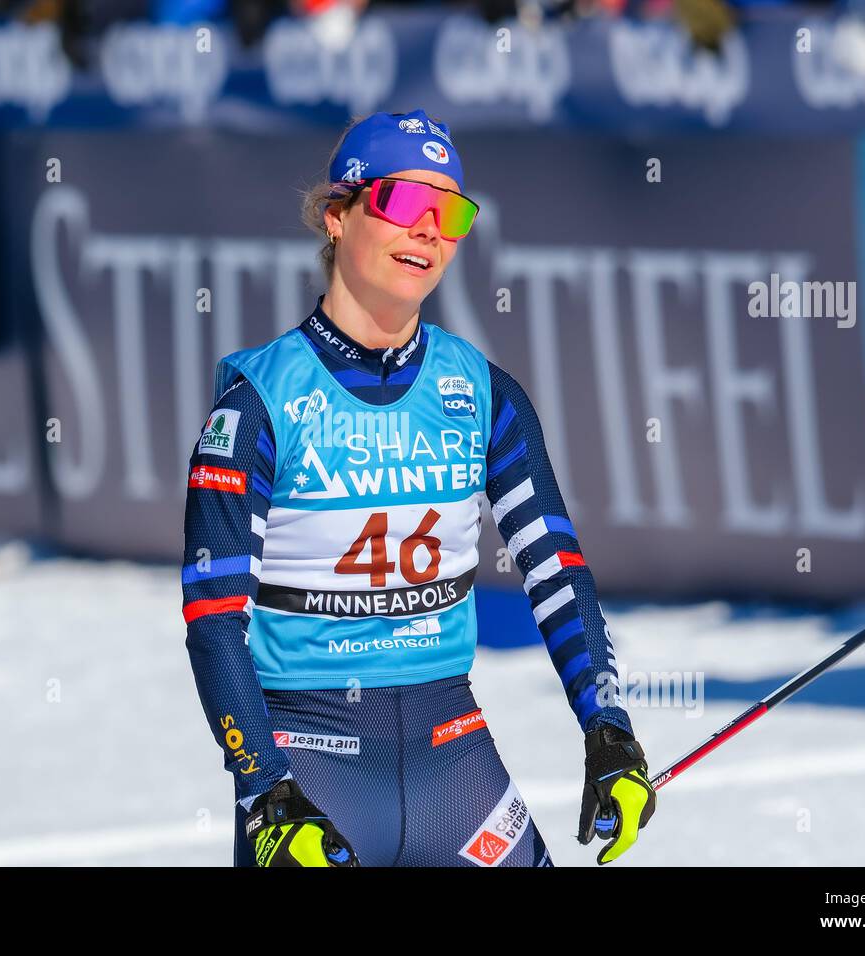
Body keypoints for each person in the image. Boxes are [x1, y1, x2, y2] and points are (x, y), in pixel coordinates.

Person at [182, 109, 656, 867]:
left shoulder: (481, 390)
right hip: (312, 767)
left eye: (452, 212)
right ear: (337, 216)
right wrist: (266, 793)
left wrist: (608, 730)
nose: (430, 231)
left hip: (455, 762)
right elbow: (213, 621)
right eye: (404, 203)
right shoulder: (258, 404)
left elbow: (556, 569)